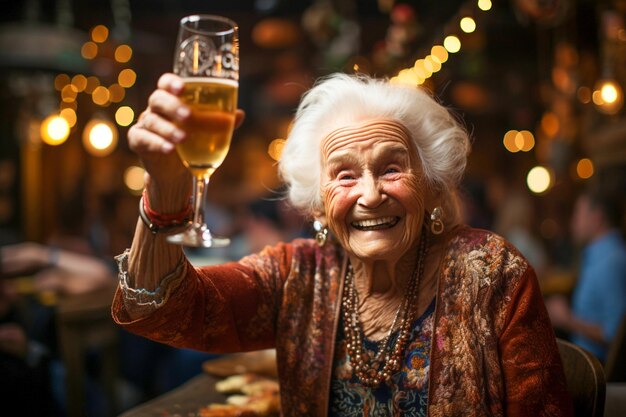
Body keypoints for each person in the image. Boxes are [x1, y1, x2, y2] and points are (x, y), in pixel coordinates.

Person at [112, 73, 573, 416]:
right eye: (345, 175)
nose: (370, 195)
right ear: (317, 204)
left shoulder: (492, 272)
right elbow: (162, 309)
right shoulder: (297, 275)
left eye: (392, 168)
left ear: (433, 186)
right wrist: (167, 188)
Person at [547, 189, 626, 362]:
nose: (573, 221)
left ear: (596, 218)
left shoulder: (611, 260)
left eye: (578, 213)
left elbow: (614, 336)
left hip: (596, 367)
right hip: (586, 359)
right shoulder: (599, 253)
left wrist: (566, 318)